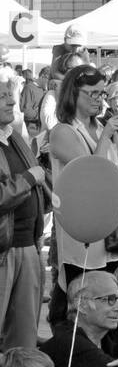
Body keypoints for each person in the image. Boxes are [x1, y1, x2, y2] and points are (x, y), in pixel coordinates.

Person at [48, 65, 118, 317]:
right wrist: (107, 135)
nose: (99, 100)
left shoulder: (101, 129)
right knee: (85, 301)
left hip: (112, 228)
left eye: (102, 93)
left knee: (113, 298)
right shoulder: (63, 132)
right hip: (83, 232)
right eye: (93, 94)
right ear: (73, 94)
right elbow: (91, 175)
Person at [0, 68, 46, 351]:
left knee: (24, 337)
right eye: (3, 96)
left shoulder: (14, 136)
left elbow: (38, 179)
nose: (11, 102)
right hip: (3, 250)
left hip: (27, 245)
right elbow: (30, 179)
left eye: (10, 96)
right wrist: (29, 179)